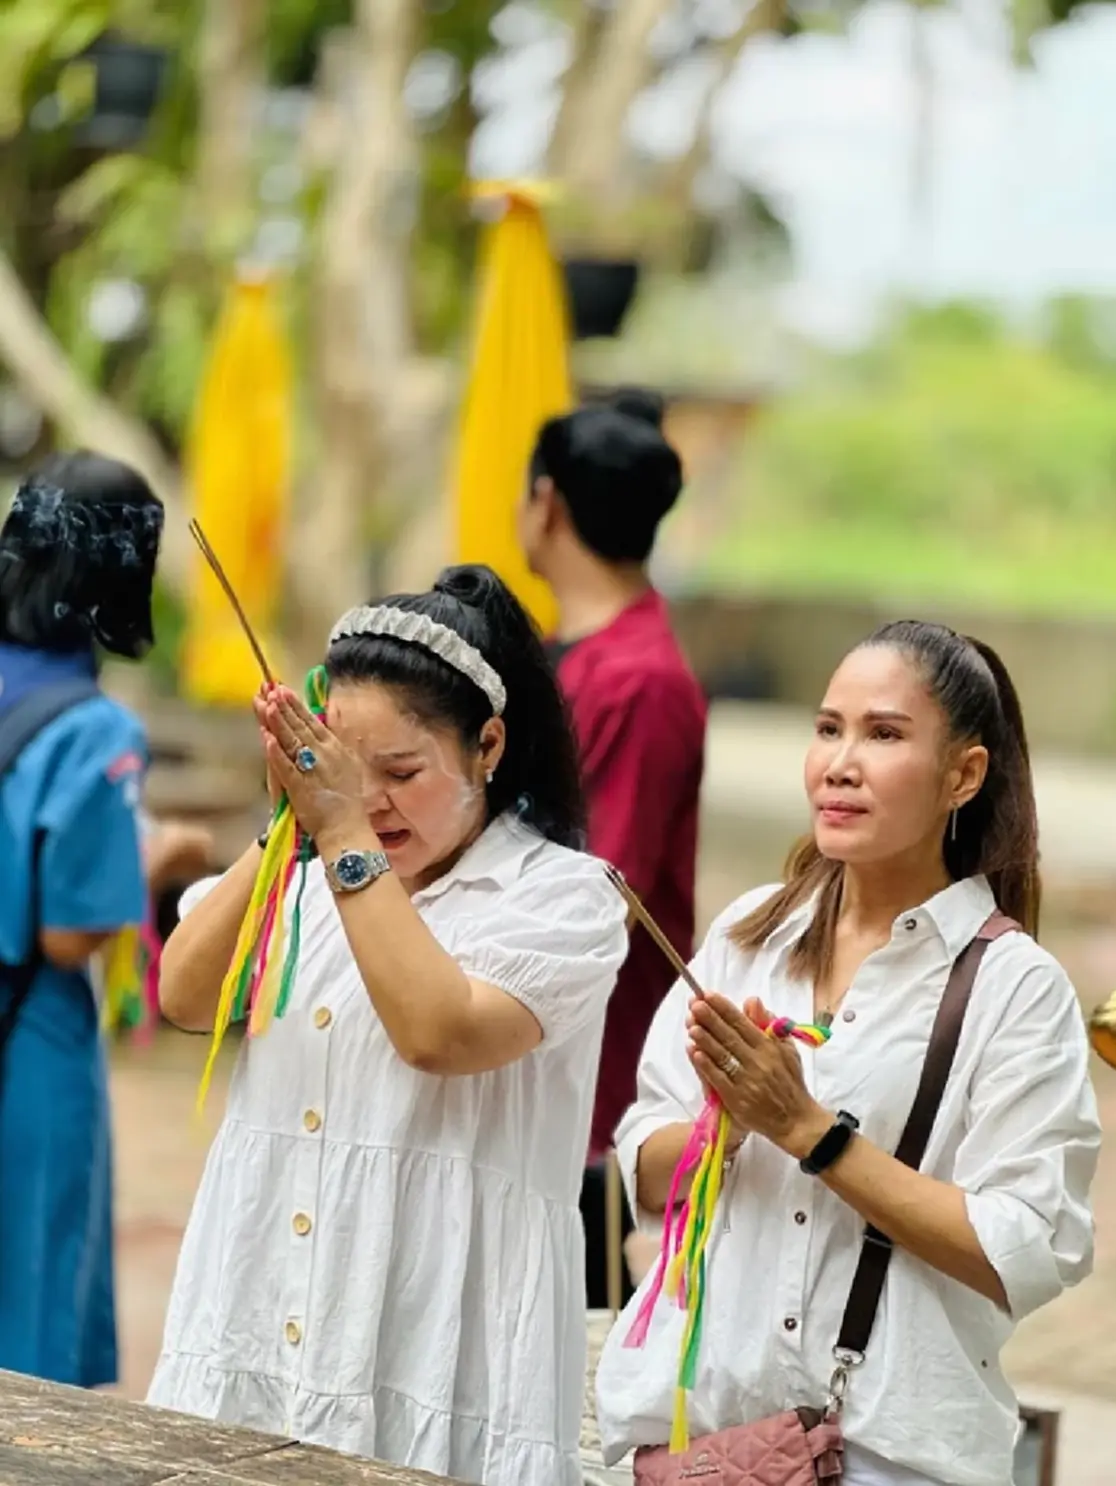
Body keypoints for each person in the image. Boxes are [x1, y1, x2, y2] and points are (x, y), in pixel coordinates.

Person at [148, 565, 628, 1486]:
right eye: (345, 768)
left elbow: (439, 1033)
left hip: (441, 1356)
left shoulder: (565, 899)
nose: (370, 800)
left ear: (488, 745)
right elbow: (183, 997)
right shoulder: (305, 864)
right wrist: (292, 823)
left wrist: (340, 837)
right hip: (256, 1320)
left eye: (401, 772)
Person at [595, 620, 1101, 1486]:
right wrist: (732, 1120)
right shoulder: (750, 937)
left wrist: (809, 1131)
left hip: (888, 1455)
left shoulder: (1015, 986)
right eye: (829, 728)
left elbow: (1025, 1245)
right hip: (708, 1445)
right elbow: (644, 1166)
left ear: (964, 775)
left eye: (885, 734)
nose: (841, 761)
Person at [522, 390, 707, 1308]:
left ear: (545, 504)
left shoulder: (641, 679)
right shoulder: (574, 655)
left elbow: (603, 882)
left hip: (596, 1068)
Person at [0, 451, 165, 1387]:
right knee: (31, 1310)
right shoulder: (95, 732)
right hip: (31, 1033)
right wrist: (163, 855)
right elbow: (71, 931)